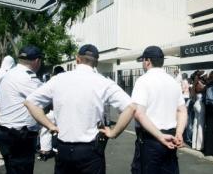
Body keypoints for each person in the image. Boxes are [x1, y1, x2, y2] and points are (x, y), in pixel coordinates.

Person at [24, 44, 136, 174]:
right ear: (96, 63)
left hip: (64, 148)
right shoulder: (104, 82)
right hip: (90, 150)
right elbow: (130, 107)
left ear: (77, 59)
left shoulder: (59, 79)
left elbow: (30, 102)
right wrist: (113, 132)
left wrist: (50, 125)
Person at [130, 46, 187, 174]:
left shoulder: (143, 80)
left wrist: (160, 136)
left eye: (143, 60)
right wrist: (179, 133)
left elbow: (139, 113)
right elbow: (182, 110)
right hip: (171, 137)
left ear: (147, 61)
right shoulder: (173, 82)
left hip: (150, 139)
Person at [0, 46, 43, 174]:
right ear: (37, 61)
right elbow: (45, 99)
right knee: (22, 169)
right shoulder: (28, 78)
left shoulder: (9, 74)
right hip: (19, 135)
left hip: (5, 131)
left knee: (12, 169)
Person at [37, 65, 65, 161]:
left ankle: (44, 152)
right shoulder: (67, 82)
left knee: (46, 132)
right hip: (62, 111)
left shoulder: (49, 82)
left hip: (50, 111)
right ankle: (59, 150)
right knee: (62, 131)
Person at [191, 70, 206, 151]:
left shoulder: (196, 83)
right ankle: (200, 145)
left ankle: (194, 144)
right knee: (200, 125)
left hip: (196, 104)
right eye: (206, 75)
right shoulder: (200, 84)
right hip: (200, 105)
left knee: (195, 124)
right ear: (202, 76)